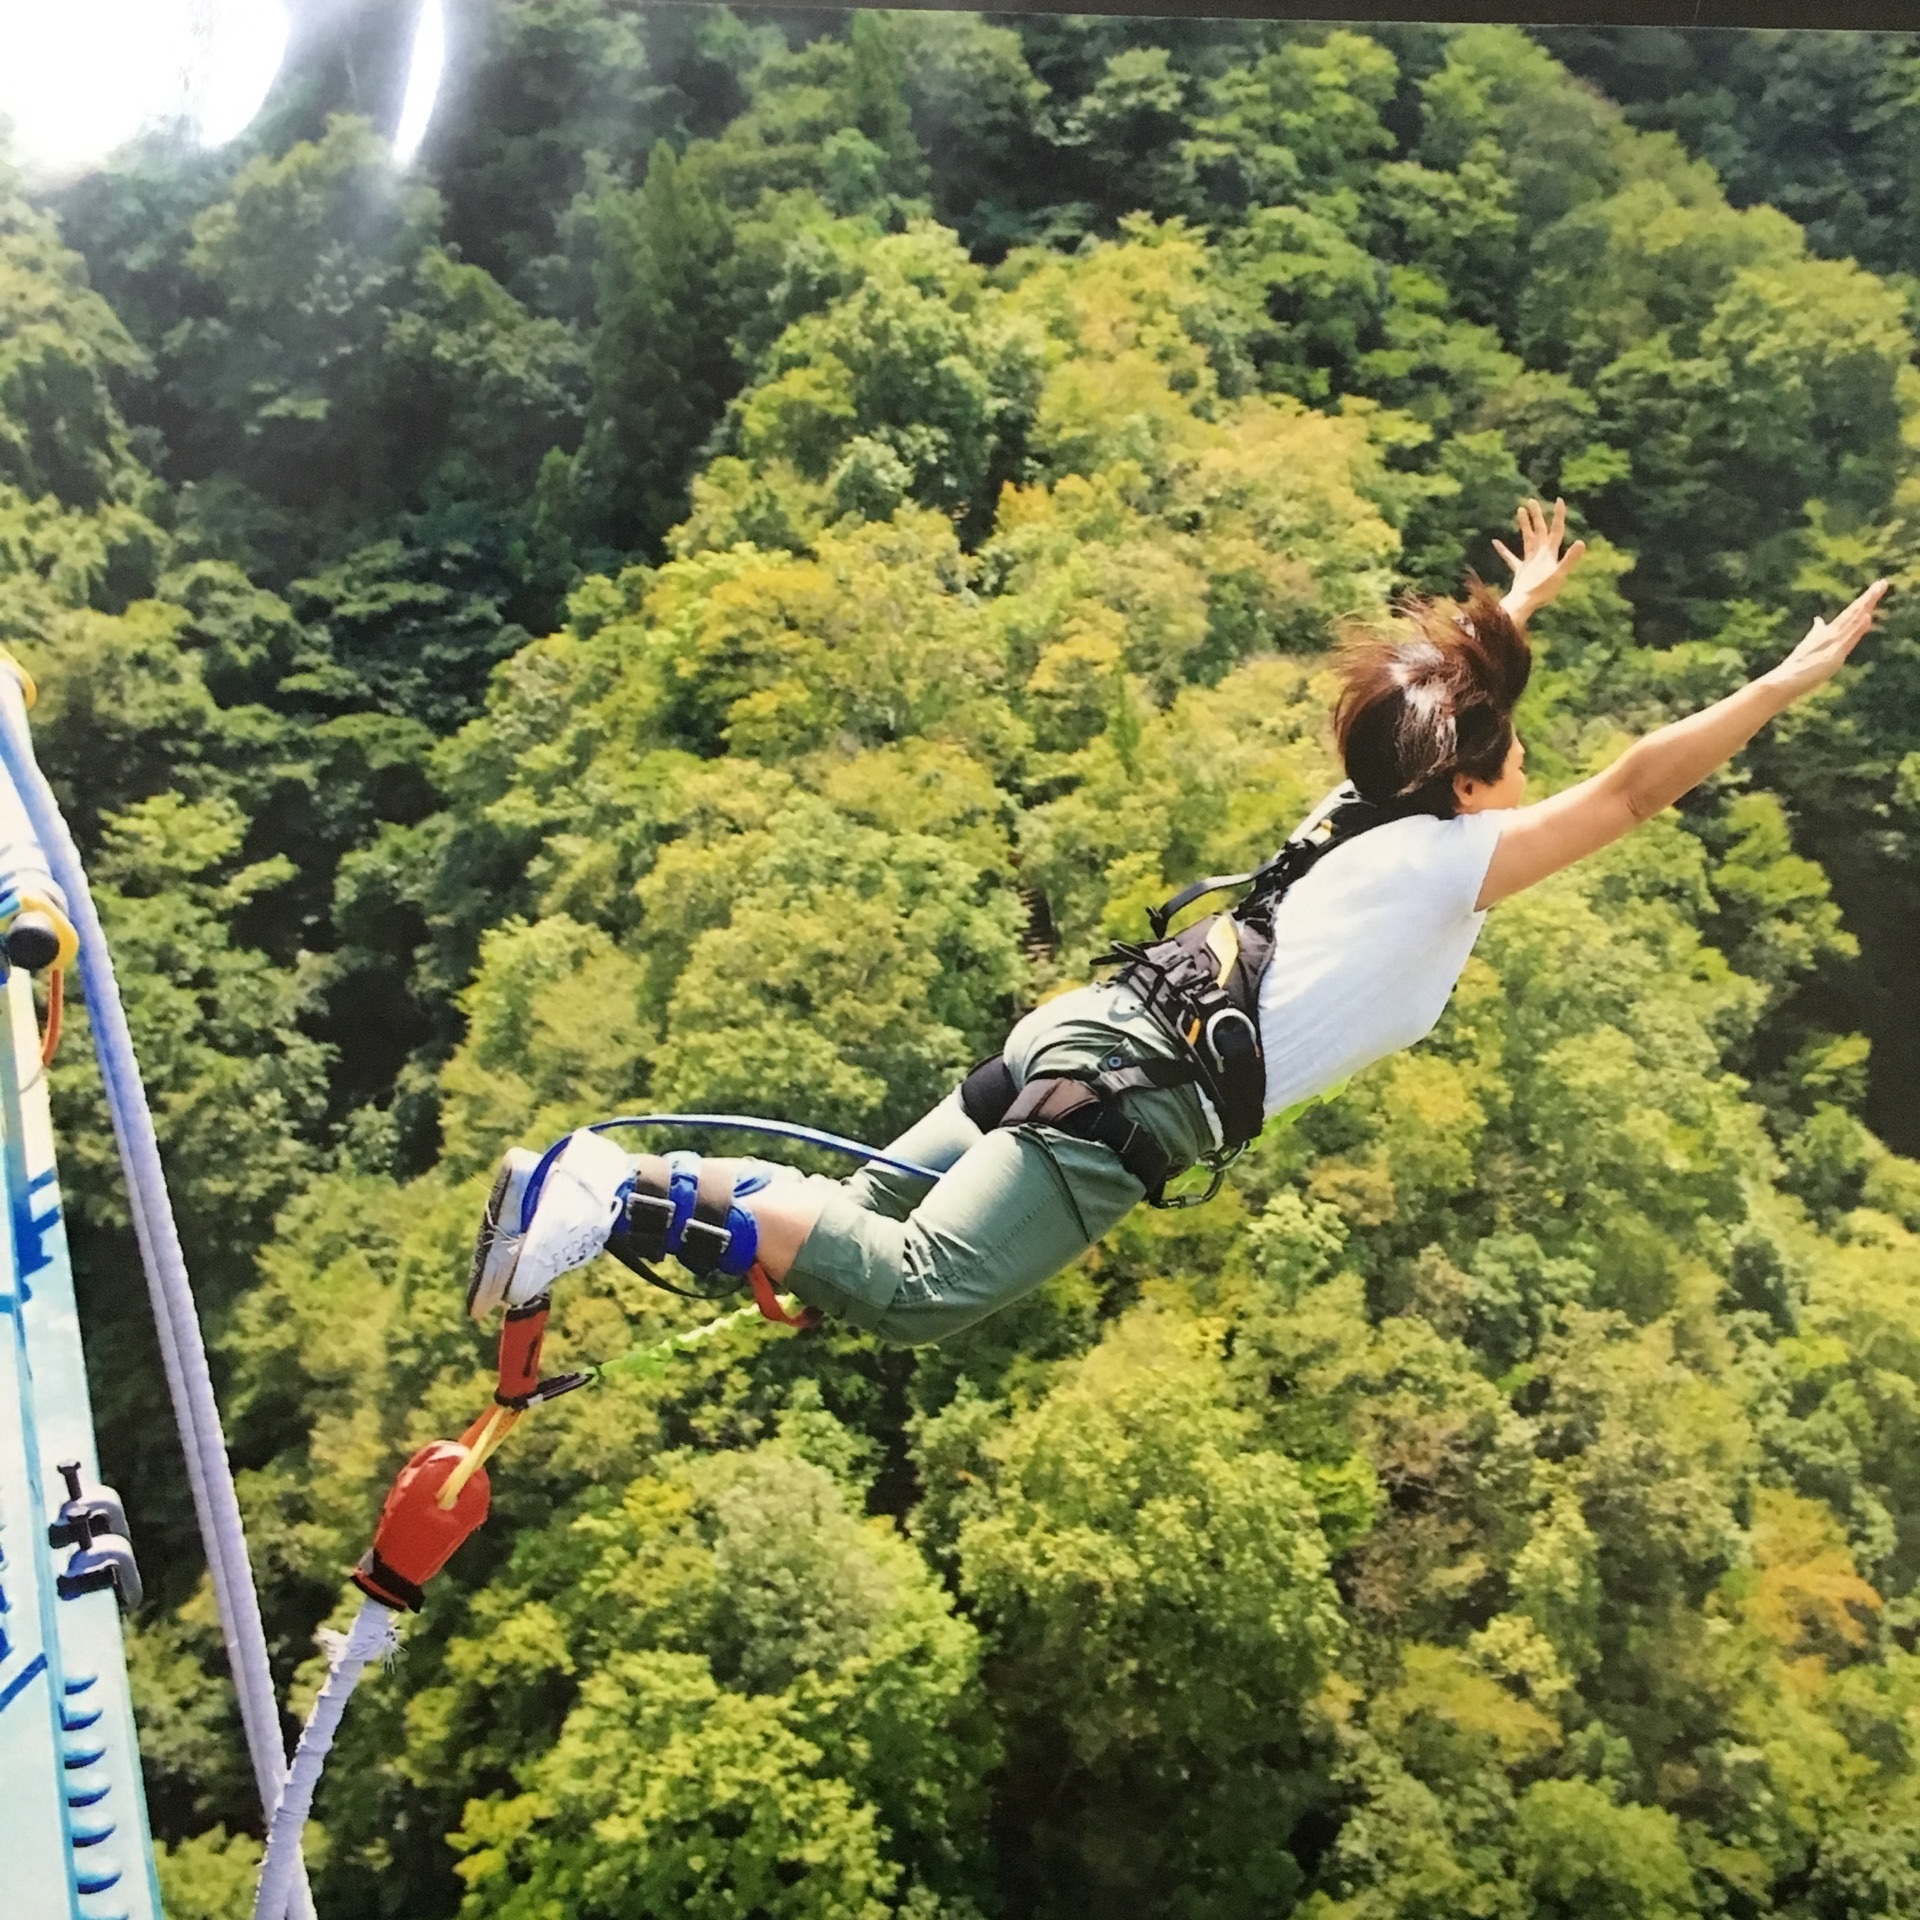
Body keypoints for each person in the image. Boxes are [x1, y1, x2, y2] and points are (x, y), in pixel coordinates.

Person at [464, 501, 1888, 1346]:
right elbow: (1638, 789)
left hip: (1090, 1031)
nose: (1528, 768)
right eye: (1508, 752)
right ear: (1465, 779)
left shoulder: (1360, 806)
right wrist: (1784, 680)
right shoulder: (1457, 857)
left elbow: (1448, 712)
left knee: (860, 1226)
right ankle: (614, 1194)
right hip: (1136, 1102)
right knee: (915, 1289)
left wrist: (1511, 609)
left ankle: (605, 1193)